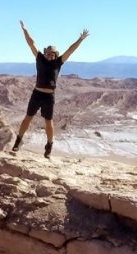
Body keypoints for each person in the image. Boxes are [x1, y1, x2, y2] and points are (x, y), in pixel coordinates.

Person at [12, 20, 89, 158]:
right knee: (27, 118)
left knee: (49, 122)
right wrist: (24, 29)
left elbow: (70, 50)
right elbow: (31, 43)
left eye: (52, 53)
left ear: (55, 54)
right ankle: (18, 141)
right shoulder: (39, 59)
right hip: (37, 94)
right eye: (47, 52)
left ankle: (49, 145)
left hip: (49, 97)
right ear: (45, 52)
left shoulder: (58, 62)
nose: (49, 55)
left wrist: (80, 39)